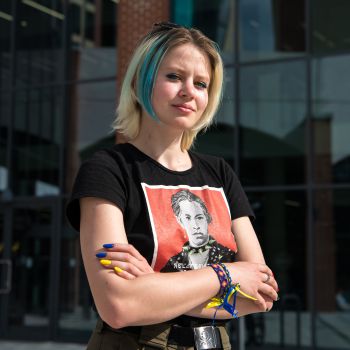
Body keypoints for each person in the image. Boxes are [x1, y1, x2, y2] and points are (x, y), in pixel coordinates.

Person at [66, 22, 279, 350]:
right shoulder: (107, 170)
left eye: (201, 83)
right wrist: (226, 276)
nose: (189, 91)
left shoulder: (219, 174)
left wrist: (151, 288)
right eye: (174, 77)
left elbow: (259, 294)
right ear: (141, 82)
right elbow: (119, 306)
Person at [161, 189, 236, 272]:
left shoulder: (228, 256)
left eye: (199, 217)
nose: (195, 226)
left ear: (207, 218)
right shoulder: (172, 263)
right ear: (180, 221)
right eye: (187, 218)